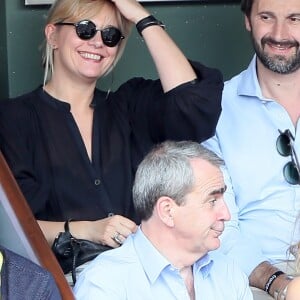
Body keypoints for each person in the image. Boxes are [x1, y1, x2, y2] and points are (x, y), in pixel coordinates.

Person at [0, 0, 223, 273]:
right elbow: (10, 227)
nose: (97, 42)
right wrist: (87, 230)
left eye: (110, 35)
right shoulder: (12, 119)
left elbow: (194, 106)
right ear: (52, 35)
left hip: (145, 277)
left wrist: (141, 17)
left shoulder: (129, 105)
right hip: (60, 282)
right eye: (84, 29)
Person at [202, 0, 300, 299]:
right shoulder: (215, 109)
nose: (280, 34)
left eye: (295, 18)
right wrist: (280, 284)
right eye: (267, 17)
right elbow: (218, 226)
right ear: (248, 20)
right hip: (255, 279)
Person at [73, 140, 253, 299]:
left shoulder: (228, 272)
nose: (226, 214)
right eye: (212, 201)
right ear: (167, 211)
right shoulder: (105, 284)